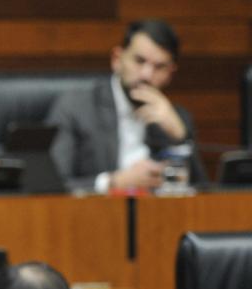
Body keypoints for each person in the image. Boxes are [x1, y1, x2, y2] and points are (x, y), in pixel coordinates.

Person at [46, 19, 205, 193]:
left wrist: (180, 137)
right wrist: (113, 182)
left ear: (170, 73)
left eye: (159, 67)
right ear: (117, 59)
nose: (146, 75)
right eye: (139, 61)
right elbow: (52, 186)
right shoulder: (76, 108)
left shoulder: (177, 118)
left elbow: (202, 194)